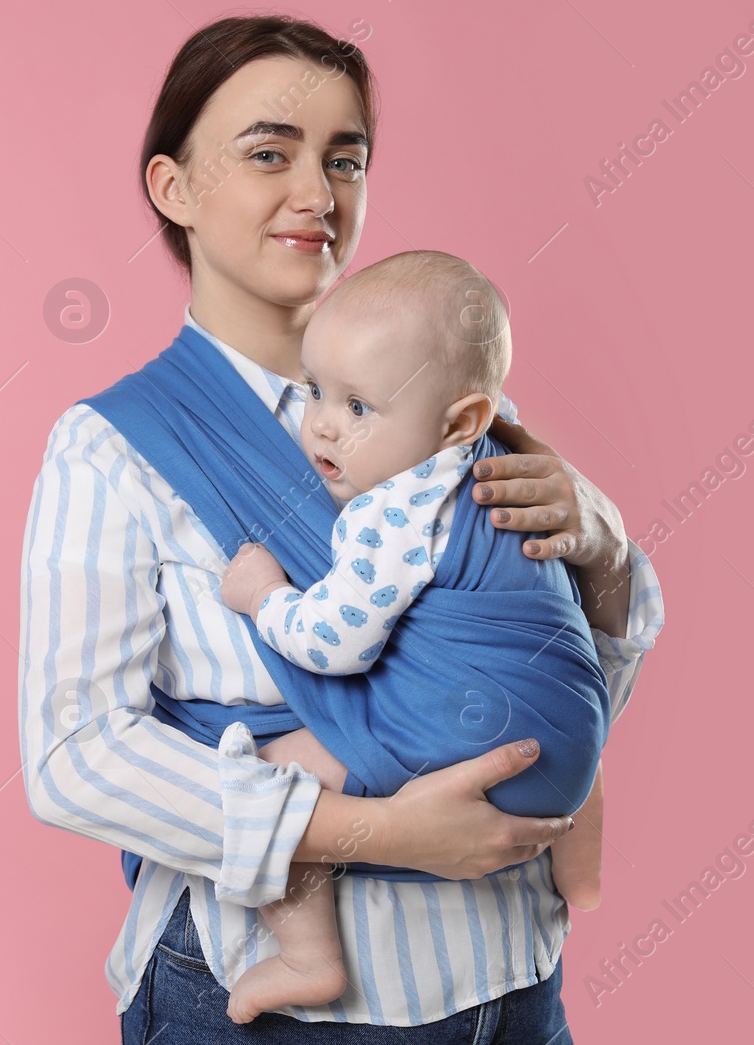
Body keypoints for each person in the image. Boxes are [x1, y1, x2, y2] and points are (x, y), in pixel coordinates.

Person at [17, 14, 664, 1042]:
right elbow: (75, 756)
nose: (318, 195)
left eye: (344, 159)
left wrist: (608, 547)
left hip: (514, 983)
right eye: (269, 153)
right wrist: (382, 830)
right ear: (173, 187)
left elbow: (557, 694)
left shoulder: (460, 415)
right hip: (296, 1006)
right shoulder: (112, 448)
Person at [214, 248, 613, 1023]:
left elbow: (340, 641)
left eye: (359, 407)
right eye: (316, 391)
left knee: (271, 775)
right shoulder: (503, 461)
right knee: (569, 694)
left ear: (457, 420)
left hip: (472, 742)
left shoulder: (390, 511)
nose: (324, 422)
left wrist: (265, 596)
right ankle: (582, 872)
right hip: (571, 750)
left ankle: (310, 957)